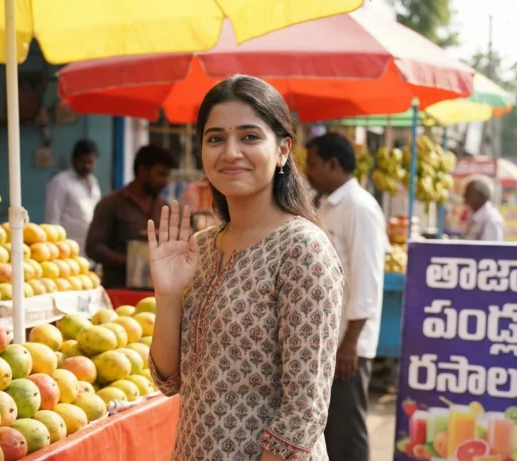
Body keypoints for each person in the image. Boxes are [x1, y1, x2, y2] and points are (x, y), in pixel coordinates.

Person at [147, 75, 344, 461]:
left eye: (250, 137)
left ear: (283, 150)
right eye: (216, 138)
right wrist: (168, 295)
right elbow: (168, 380)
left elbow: (304, 411)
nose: (231, 152)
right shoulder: (200, 247)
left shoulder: (302, 249)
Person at [305, 132, 388, 461]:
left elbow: (367, 280)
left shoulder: (360, 208)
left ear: (332, 163)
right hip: (328, 340)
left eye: (312, 164)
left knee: (347, 434)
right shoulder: (327, 204)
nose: (308, 172)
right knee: (329, 432)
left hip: (347, 343)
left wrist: (350, 343)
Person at [85, 144, 176, 288]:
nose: (166, 181)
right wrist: (132, 260)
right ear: (142, 172)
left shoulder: (163, 206)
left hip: (157, 292)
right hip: (118, 290)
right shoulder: (111, 203)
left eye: (167, 175)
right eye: (161, 174)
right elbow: (93, 247)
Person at [43, 139, 102, 257]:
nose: (86, 166)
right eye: (83, 162)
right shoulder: (60, 182)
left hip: (90, 252)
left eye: (90, 162)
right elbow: (52, 220)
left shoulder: (94, 183)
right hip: (67, 253)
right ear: (73, 160)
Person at [463, 175, 504, 241]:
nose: (464, 196)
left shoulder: (492, 219)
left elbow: (490, 249)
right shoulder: (474, 216)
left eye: (468, 192)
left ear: (480, 195)